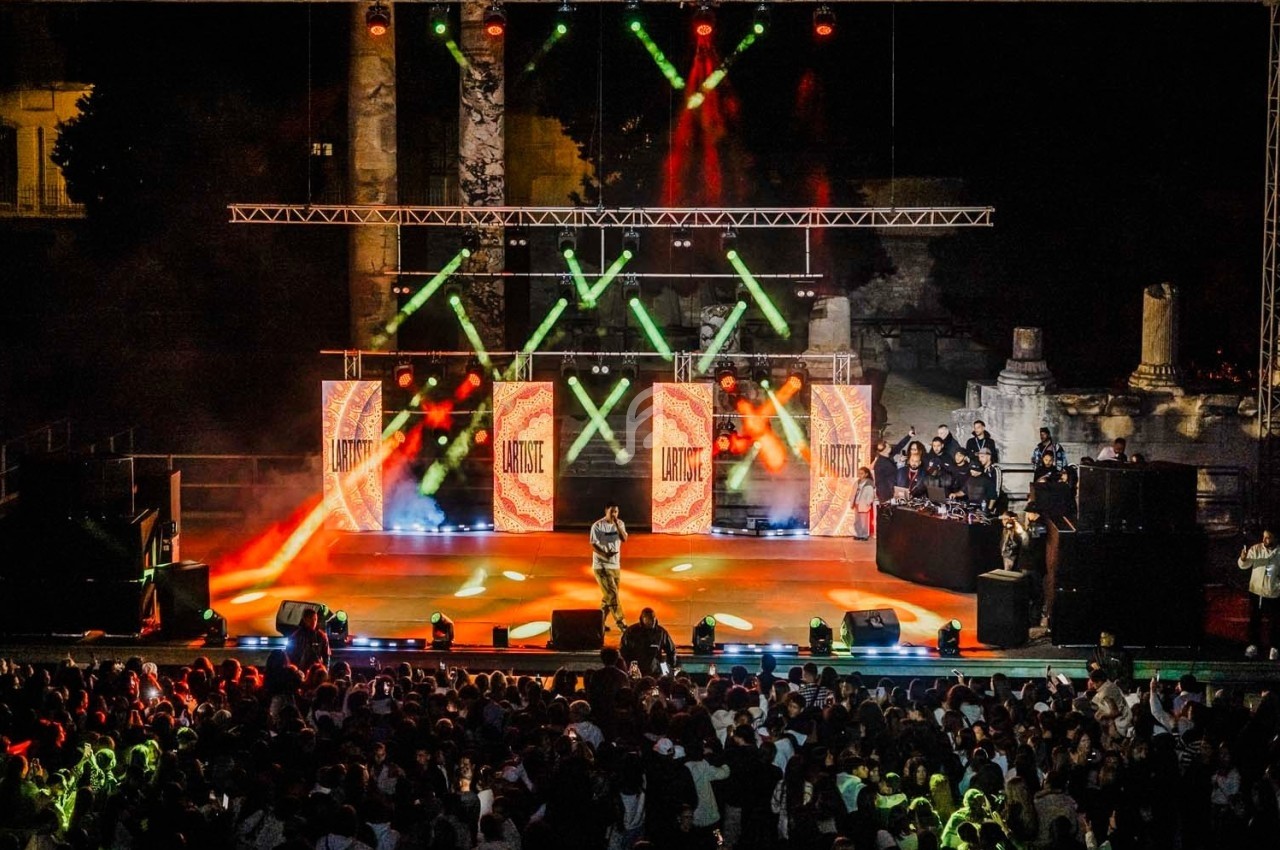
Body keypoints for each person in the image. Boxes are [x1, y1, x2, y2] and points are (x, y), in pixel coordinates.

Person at [1238, 529, 1280, 659]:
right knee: (1254, 619)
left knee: (1275, 621)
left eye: (1268, 537)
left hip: (1273, 592)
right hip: (1256, 591)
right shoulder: (1256, 549)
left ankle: (1274, 647)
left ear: (1275, 538)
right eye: (1263, 537)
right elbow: (1244, 565)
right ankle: (1253, 645)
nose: (1264, 540)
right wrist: (1243, 559)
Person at [591, 502, 629, 631]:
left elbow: (624, 538)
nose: (614, 514)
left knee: (609, 595)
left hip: (615, 564)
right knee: (612, 594)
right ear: (606, 511)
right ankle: (621, 622)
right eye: (612, 511)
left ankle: (597, 623)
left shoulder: (620, 524)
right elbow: (594, 545)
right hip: (601, 565)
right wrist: (605, 554)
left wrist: (617, 526)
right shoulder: (597, 526)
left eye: (616, 512)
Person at [620, 607, 676, 676]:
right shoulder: (631, 632)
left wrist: (670, 667)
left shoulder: (661, 633)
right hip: (636, 673)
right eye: (649, 619)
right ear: (643, 619)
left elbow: (671, 650)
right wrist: (628, 667)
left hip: (654, 672)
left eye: (653, 619)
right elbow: (623, 650)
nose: (652, 621)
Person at [853, 466, 875, 540]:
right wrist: (852, 500)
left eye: (861, 473)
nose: (859, 475)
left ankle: (864, 535)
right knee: (857, 520)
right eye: (859, 473)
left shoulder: (869, 483)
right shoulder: (858, 482)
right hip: (857, 503)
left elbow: (871, 494)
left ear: (866, 474)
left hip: (864, 503)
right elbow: (853, 492)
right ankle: (858, 534)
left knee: (864, 521)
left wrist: (868, 502)